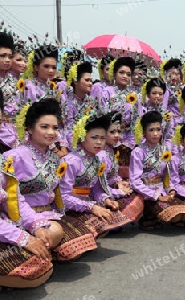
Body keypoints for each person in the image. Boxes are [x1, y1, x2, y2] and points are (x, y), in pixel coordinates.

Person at [6, 98, 99, 261]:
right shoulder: (14, 157)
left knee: (87, 236)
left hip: (49, 212)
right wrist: (35, 223)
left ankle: (43, 253)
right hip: (22, 216)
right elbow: (11, 200)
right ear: (29, 128)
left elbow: (60, 193)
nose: (51, 132)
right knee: (56, 233)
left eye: (55, 128)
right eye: (44, 127)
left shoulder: (54, 158)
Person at [60, 113, 132, 237]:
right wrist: (91, 207)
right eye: (94, 137)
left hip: (88, 203)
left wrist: (106, 200)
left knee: (116, 216)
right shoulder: (70, 161)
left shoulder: (97, 160)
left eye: (102, 138)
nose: (99, 142)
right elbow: (63, 197)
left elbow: (96, 190)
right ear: (82, 137)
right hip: (70, 208)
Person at [129, 111, 180, 230]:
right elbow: (135, 182)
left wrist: (171, 190)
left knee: (182, 213)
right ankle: (148, 215)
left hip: (162, 189)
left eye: (158, 129)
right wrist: (156, 195)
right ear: (144, 133)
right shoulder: (138, 152)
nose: (155, 133)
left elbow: (167, 175)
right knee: (172, 214)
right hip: (145, 193)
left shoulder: (164, 150)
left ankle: (154, 216)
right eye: (151, 130)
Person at [97, 111, 144, 224]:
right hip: (101, 194)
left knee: (137, 195)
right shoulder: (100, 155)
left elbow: (112, 174)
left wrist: (119, 182)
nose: (117, 135)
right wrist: (120, 192)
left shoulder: (110, 150)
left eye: (118, 131)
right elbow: (99, 186)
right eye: (112, 132)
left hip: (111, 188)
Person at [61, 62, 98, 151]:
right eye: (87, 80)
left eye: (91, 80)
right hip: (73, 146)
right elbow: (68, 129)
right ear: (75, 81)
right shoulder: (67, 103)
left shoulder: (91, 101)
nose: (90, 83)